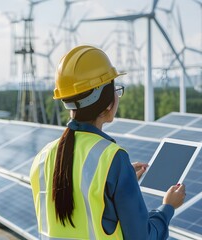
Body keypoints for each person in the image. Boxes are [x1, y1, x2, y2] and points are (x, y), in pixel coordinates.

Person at [30, 45, 186, 240]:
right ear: (107, 99)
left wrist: (114, 185)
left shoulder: (42, 157)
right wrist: (168, 207)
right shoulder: (113, 159)